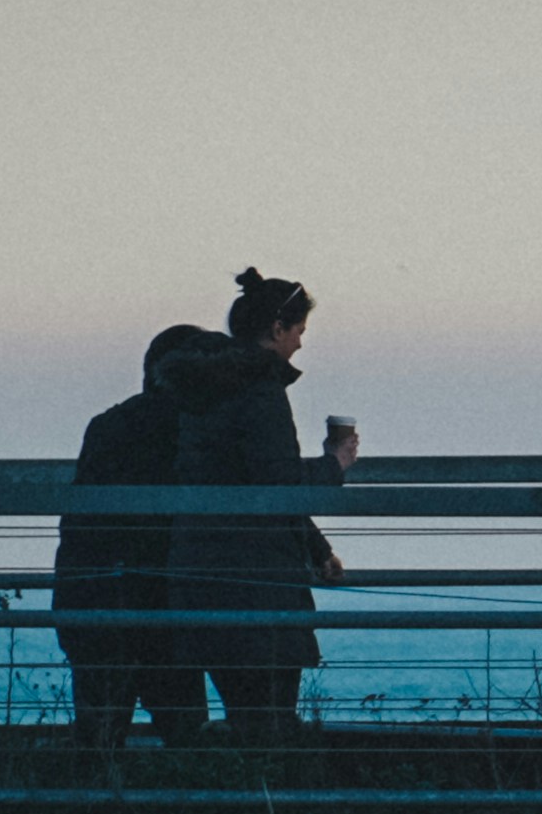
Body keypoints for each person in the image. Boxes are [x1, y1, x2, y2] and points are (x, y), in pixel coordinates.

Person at [162, 267, 360, 733]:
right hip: (256, 580)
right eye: (298, 332)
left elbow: (239, 478)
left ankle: (245, 798)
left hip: (201, 574)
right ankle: (268, 800)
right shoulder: (260, 392)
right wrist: (334, 464)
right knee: (269, 721)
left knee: (244, 712)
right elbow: (277, 483)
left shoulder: (202, 389)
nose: (300, 344)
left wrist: (315, 548)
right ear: (276, 329)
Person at [51, 325, 212, 748]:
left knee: (100, 732)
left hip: (96, 595)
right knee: (186, 730)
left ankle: (94, 809)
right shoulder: (194, 429)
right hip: (162, 596)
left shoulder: (108, 425)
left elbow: (82, 521)